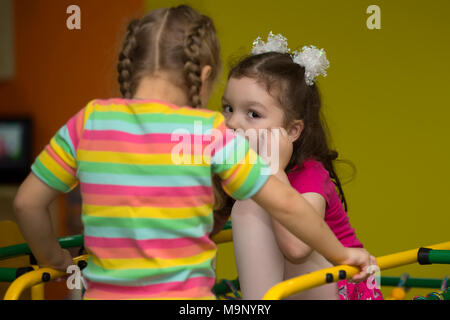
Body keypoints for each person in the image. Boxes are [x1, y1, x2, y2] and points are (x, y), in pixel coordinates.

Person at [13, 7, 376, 300]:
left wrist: (53, 258)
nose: (234, 122)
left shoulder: (89, 121)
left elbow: (26, 204)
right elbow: (286, 204)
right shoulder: (205, 132)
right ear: (202, 77)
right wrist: (343, 254)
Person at [218, 32, 383, 300]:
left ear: (292, 131)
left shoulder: (310, 174)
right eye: (228, 108)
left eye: (253, 114)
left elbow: (297, 249)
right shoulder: (236, 168)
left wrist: (275, 171)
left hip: (347, 289)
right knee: (247, 205)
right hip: (300, 290)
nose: (233, 122)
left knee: (253, 205)